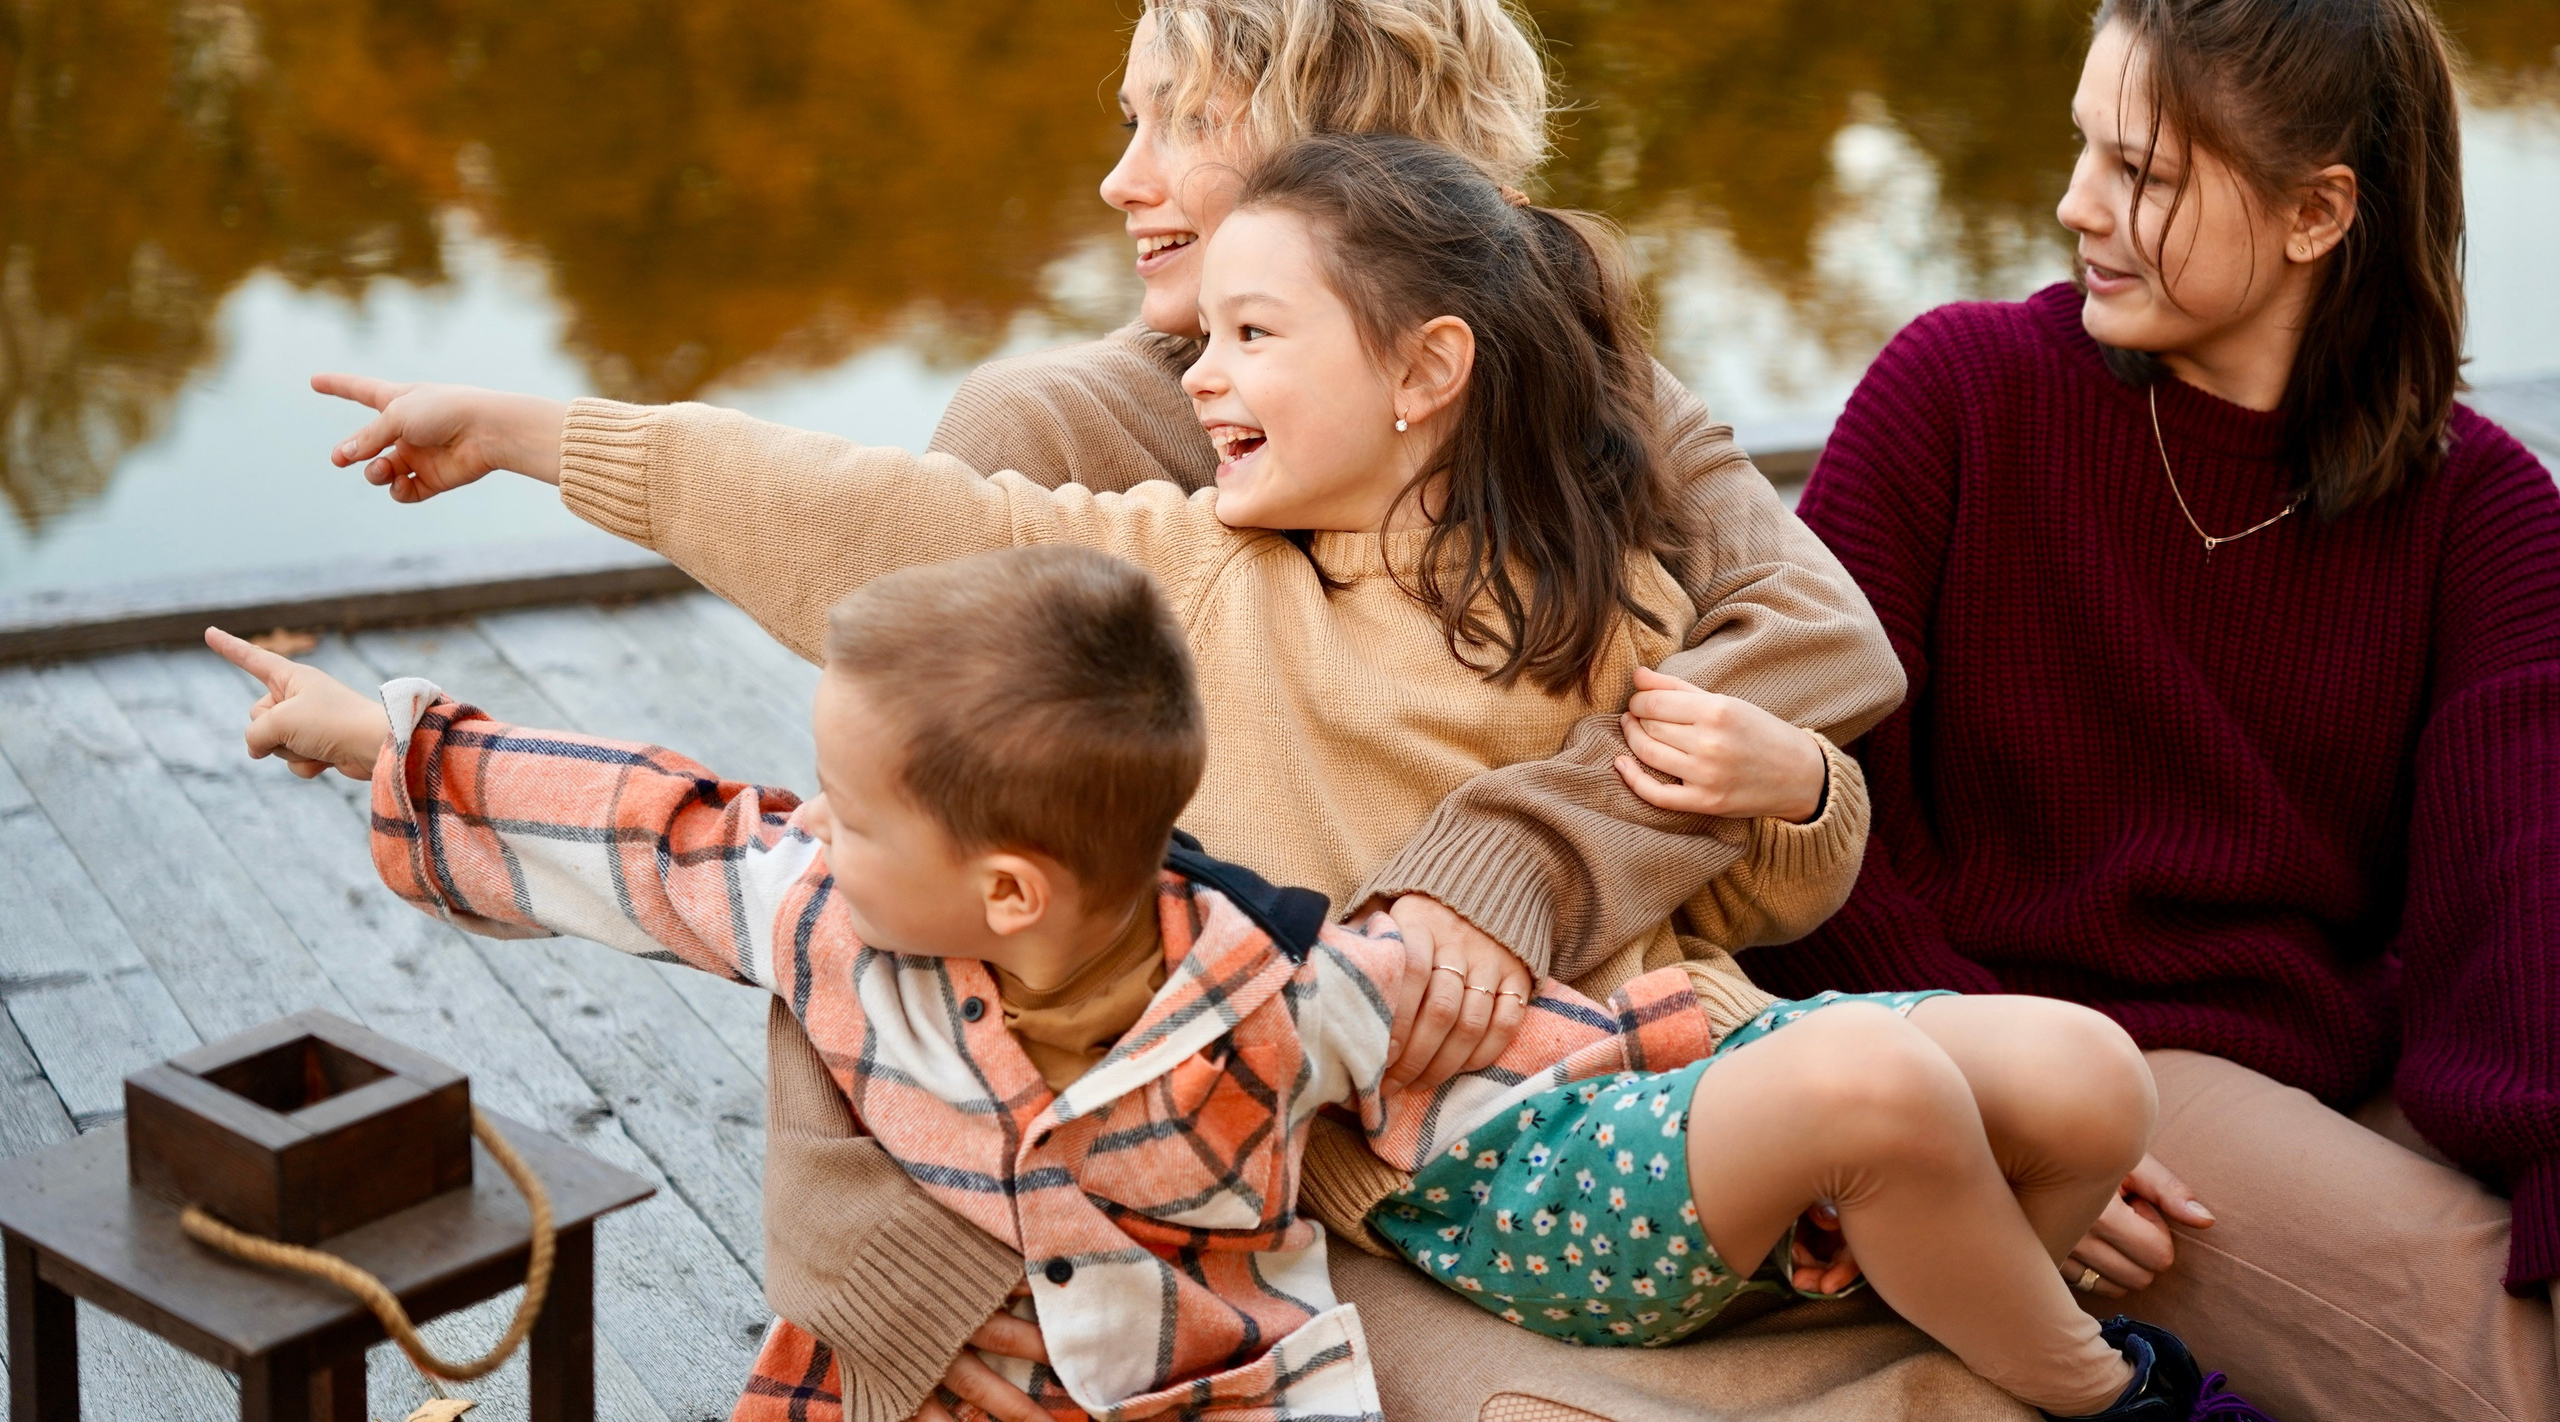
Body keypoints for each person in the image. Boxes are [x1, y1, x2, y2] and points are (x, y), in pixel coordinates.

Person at [293, 132, 2247, 1421]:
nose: (1195, 373)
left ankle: (1917, 1283)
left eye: (1246, 332)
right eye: (1196, 331)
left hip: (1675, 1071)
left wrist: (1786, 786)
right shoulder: (1173, 590)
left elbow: (1755, 902)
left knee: (2083, 1066)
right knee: (1882, 1077)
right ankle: (2119, 1401)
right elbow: (845, 506)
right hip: (1478, 1160)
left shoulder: (1590, 593)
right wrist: (540, 430)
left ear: (1424, 376)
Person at [200, 549, 1721, 1422]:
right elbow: (648, 833)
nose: (810, 833)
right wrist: (378, 738)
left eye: (850, 815)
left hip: (1212, 1400)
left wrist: (1691, 1042)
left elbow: (1490, 1034)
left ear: (1008, 893)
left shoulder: (1272, 992)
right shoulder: (833, 927)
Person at [1750, 0, 2560, 1422]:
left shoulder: (2486, 513)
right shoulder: (1960, 398)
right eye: (2086, 149)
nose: (2076, 206)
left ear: (2318, 215)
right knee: (2504, 1372)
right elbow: (1781, 816)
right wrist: (1984, 1098)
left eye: (2143, 175)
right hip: (2096, 1070)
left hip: (2341, 1060)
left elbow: (2528, 909)